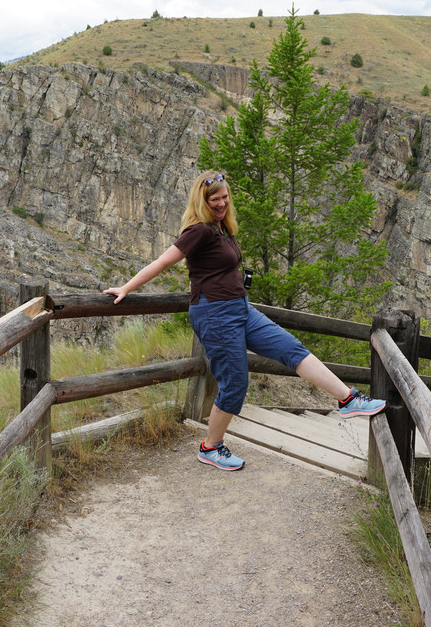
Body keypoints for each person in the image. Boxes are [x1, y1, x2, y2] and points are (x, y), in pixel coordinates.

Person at [105, 170, 385, 471]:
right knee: (235, 383)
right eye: (214, 200)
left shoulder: (223, 228)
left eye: (225, 197)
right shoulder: (198, 230)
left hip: (240, 308)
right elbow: (162, 262)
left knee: (291, 347)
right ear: (202, 201)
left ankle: (348, 399)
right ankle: (210, 447)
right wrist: (126, 288)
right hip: (215, 314)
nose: (221, 203)